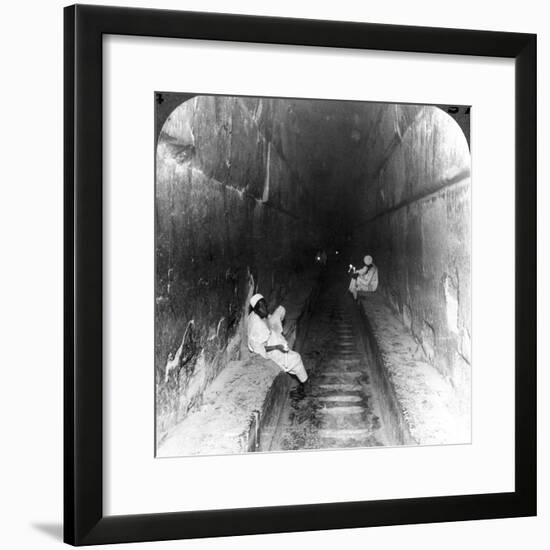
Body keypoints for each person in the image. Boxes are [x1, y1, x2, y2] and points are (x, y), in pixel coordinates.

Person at [247, 294, 309, 387]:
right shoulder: (257, 327)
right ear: (255, 310)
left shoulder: (257, 314)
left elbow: (266, 316)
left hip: (269, 332)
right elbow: (261, 349)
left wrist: (270, 319)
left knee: (281, 310)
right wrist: (277, 347)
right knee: (296, 358)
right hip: (269, 349)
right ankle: (305, 383)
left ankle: (278, 334)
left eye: (265, 305)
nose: (265, 309)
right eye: (261, 308)